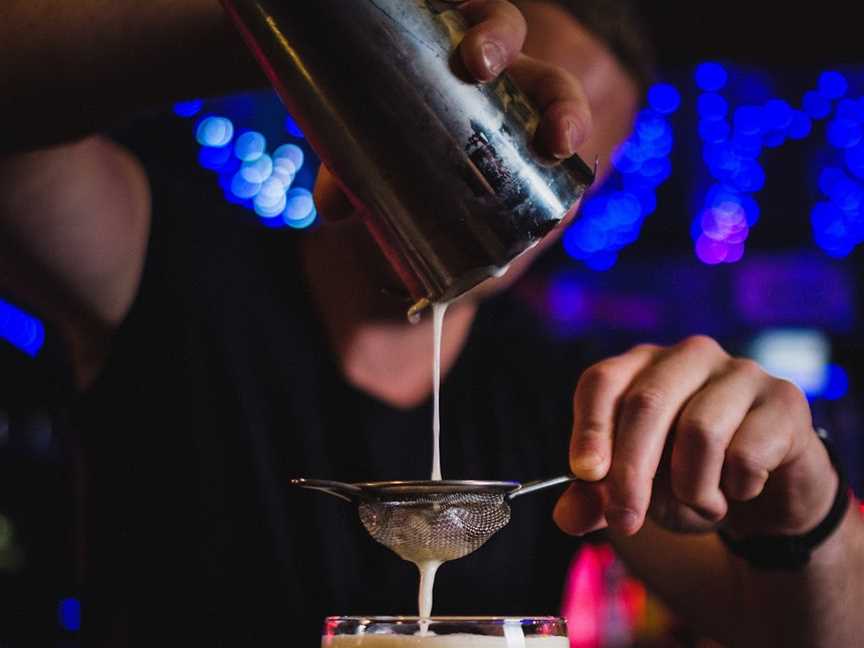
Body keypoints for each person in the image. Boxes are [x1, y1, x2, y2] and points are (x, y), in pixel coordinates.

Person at [1, 1, 862, 646]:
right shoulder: (172, 264)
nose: (516, 192)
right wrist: (324, 30)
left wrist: (803, 508)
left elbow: (798, 627)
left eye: (567, 171)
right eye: (504, 127)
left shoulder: (568, 400)